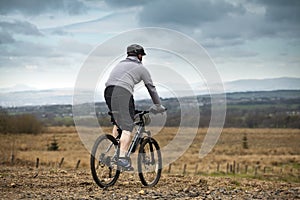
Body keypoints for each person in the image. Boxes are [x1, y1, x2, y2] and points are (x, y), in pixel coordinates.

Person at [104, 44, 165, 168]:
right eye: (141, 55)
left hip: (108, 91)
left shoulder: (119, 64)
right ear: (139, 55)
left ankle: (116, 150)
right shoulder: (141, 68)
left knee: (118, 120)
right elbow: (151, 88)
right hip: (123, 92)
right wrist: (158, 106)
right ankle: (122, 158)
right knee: (128, 125)